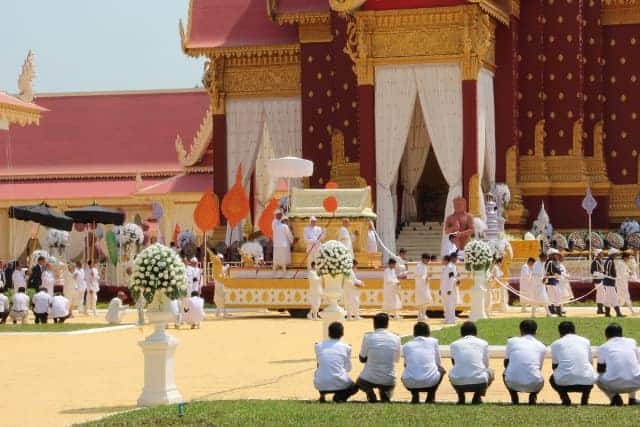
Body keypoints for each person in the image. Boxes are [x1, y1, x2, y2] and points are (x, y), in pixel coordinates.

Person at [356, 313, 401, 402]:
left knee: (359, 382)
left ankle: (370, 393)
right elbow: (396, 359)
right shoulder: (396, 338)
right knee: (385, 390)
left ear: (374, 324)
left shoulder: (368, 337)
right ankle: (384, 395)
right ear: (387, 324)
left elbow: (362, 359)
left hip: (369, 379)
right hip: (389, 380)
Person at [549, 321, 596, 406]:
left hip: (564, 384)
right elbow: (590, 363)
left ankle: (565, 398)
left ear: (560, 332)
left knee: (552, 378)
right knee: (589, 373)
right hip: (586, 383)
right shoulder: (585, 341)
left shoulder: (555, 344)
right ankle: (584, 400)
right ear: (574, 330)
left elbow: (554, 366)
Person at [448, 321, 494, 404]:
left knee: (453, 371)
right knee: (491, 372)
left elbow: (454, 363)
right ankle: (477, 396)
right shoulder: (483, 343)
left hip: (458, 382)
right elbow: (486, 365)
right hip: (479, 382)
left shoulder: (454, 344)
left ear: (461, 333)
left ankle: (461, 396)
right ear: (476, 333)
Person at [503, 319, 546, 405]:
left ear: (520, 330)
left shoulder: (511, 341)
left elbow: (506, 363)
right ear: (535, 331)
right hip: (534, 384)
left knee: (504, 373)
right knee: (540, 376)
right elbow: (539, 368)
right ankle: (533, 396)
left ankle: (514, 397)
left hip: (512, 383)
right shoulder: (542, 346)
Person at [314, 322, 359, 403]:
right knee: (354, 386)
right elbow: (348, 368)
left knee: (322, 371)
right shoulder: (347, 347)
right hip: (339, 383)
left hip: (320, 383)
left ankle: (322, 395)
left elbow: (319, 364)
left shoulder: (318, 346)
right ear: (342, 333)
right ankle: (340, 397)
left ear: (329, 333)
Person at [596, 323, 640, 406]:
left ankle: (614, 397)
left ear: (606, 335)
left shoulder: (603, 347)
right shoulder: (631, 341)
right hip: (637, 383)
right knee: (634, 366)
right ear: (621, 333)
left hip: (614, 385)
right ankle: (632, 398)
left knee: (597, 378)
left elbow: (600, 369)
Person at [401, 322, 445, 404]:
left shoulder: (407, 345)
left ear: (414, 333)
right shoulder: (434, 341)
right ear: (428, 332)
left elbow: (406, 364)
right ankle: (430, 396)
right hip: (430, 382)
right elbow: (438, 362)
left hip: (410, 382)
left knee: (408, 370)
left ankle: (415, 396)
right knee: (441, 370)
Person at [603, 248, 624, 317]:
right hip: (609, 282)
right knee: (614, 298)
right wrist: (615, 276)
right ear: (612, 254)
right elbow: (608, 272)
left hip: (609, 282)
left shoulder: (610, 261)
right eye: (615, 254)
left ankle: (607, 313)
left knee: (608, 298)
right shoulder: (610, 261)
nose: (616, 255)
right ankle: (618, 313)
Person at [544, 248, 564, 316]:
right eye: (555, 254)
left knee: (552, 297)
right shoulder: (551, 262)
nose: (557, 256)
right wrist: (560, 273)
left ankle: (552, 311)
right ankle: (558, 312)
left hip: (553, 281)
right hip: (552, 281)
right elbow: (556, 271)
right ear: (551, 255)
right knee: (557, 297)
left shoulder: (551, 261)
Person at [440, 255, 459, 325]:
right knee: (445, 305)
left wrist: (450, 289)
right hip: (444, 289)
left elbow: (452, 279)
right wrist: (440, 289)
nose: (442, 261)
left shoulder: (450, 268)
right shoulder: (444, 268)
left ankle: (451, 319)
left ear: (446, 260)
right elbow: (442, 280)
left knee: (450, 305)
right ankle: (447, 318)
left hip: (449, 290)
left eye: (443, 260)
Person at [414, 254, 432, 321]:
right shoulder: (419, 266)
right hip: (420, 287)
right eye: (427, 260)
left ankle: (423, 314)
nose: (428, 261)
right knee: (421, 301)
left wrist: (427, 277)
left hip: (425, 286)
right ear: (424, 259)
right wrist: (426, 277)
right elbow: (418, 276)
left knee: (426, 300)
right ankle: (420, 314)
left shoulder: (424, 266)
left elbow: (424, 276)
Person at [592, 249, 606, 315]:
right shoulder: (595, 262)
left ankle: (600, 309)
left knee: (602, 295)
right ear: (598, 254)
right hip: (598, 281)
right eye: (601, 253)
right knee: (600, 295)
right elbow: (593, 272)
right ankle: (599, 309)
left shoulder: (601, 261)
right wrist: (601, 274)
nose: (602, 254)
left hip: (602, 280)